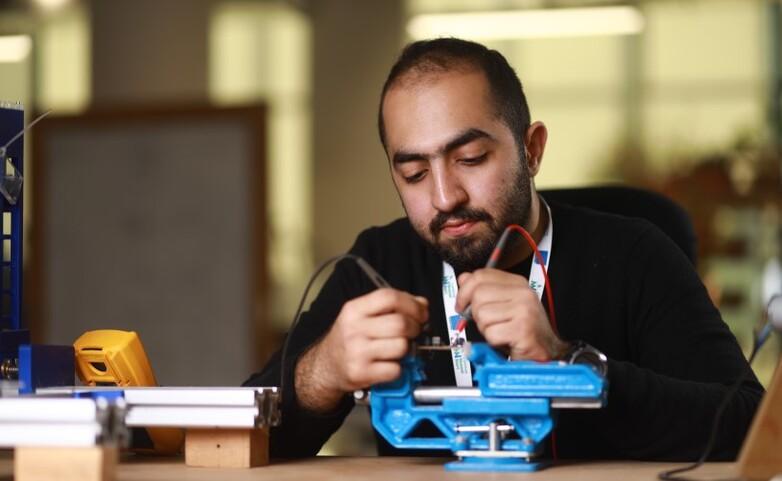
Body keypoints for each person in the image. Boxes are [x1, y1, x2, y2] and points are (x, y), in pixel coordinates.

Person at [244, 38, 763, 460]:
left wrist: (566, 364)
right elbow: (244, 442)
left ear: (532, 149)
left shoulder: (635, 253)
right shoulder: (378, 263)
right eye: (415, 173)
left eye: (470, 158)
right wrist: (323, 372)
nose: (446, 197)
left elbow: (747, 423)